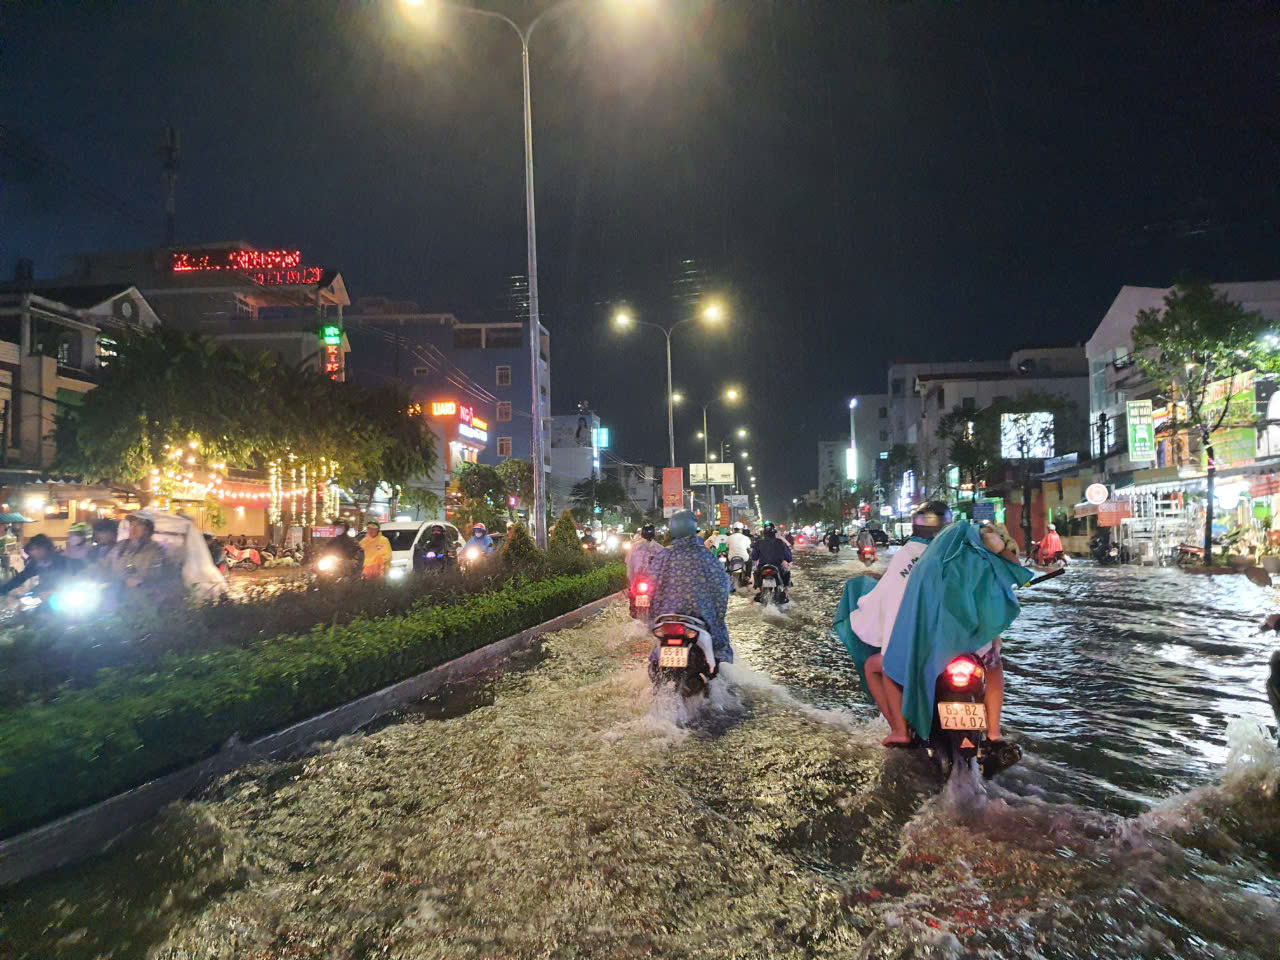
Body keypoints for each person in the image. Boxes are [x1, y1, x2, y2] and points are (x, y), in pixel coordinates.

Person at [840, 501, 949, 746]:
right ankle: (993, 732)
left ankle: (899, 729)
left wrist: (863, 601)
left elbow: (886, 597)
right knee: (991, 666)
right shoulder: (957, 554)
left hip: (919, 654)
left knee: (880, 666)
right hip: (955, 647)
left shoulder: (906, 556)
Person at [648, 509, 733, 666]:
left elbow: (650, 588)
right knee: (720, 645)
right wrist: (719, 616)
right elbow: (721, 589)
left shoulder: (663, 556)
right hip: (701, 616)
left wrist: (653, 616)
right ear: (694, 528)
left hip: (666, 616)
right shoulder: (706, 556)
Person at [104, 516, 173, 592]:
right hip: (115, 593)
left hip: (141, 597)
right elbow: (106, 563)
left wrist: (142, 583)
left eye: (138, 526)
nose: (132, 529)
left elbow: (160, 577)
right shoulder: (120, 546)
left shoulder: (156, 551)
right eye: (131, 525)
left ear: (147, 530)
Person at [4, 534, 72, 596]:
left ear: (46, 547)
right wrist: (3, 590)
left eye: (38, 548)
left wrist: (55, 593)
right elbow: (19, 578)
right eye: (32, 549)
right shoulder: (35, 563)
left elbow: (73, 582)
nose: (35, 552)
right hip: (42, 595)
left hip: (62, 597)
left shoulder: (62, 561)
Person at [750, 521, 793, 602]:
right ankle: (785, 592)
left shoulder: (759, 542)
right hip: (778, 568)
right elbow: (789, 557)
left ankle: (759, 590)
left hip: (763, 568)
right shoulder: (781, 542)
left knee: (756, 572)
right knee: (787, 572)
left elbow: (754, 557)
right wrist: (787, 560)